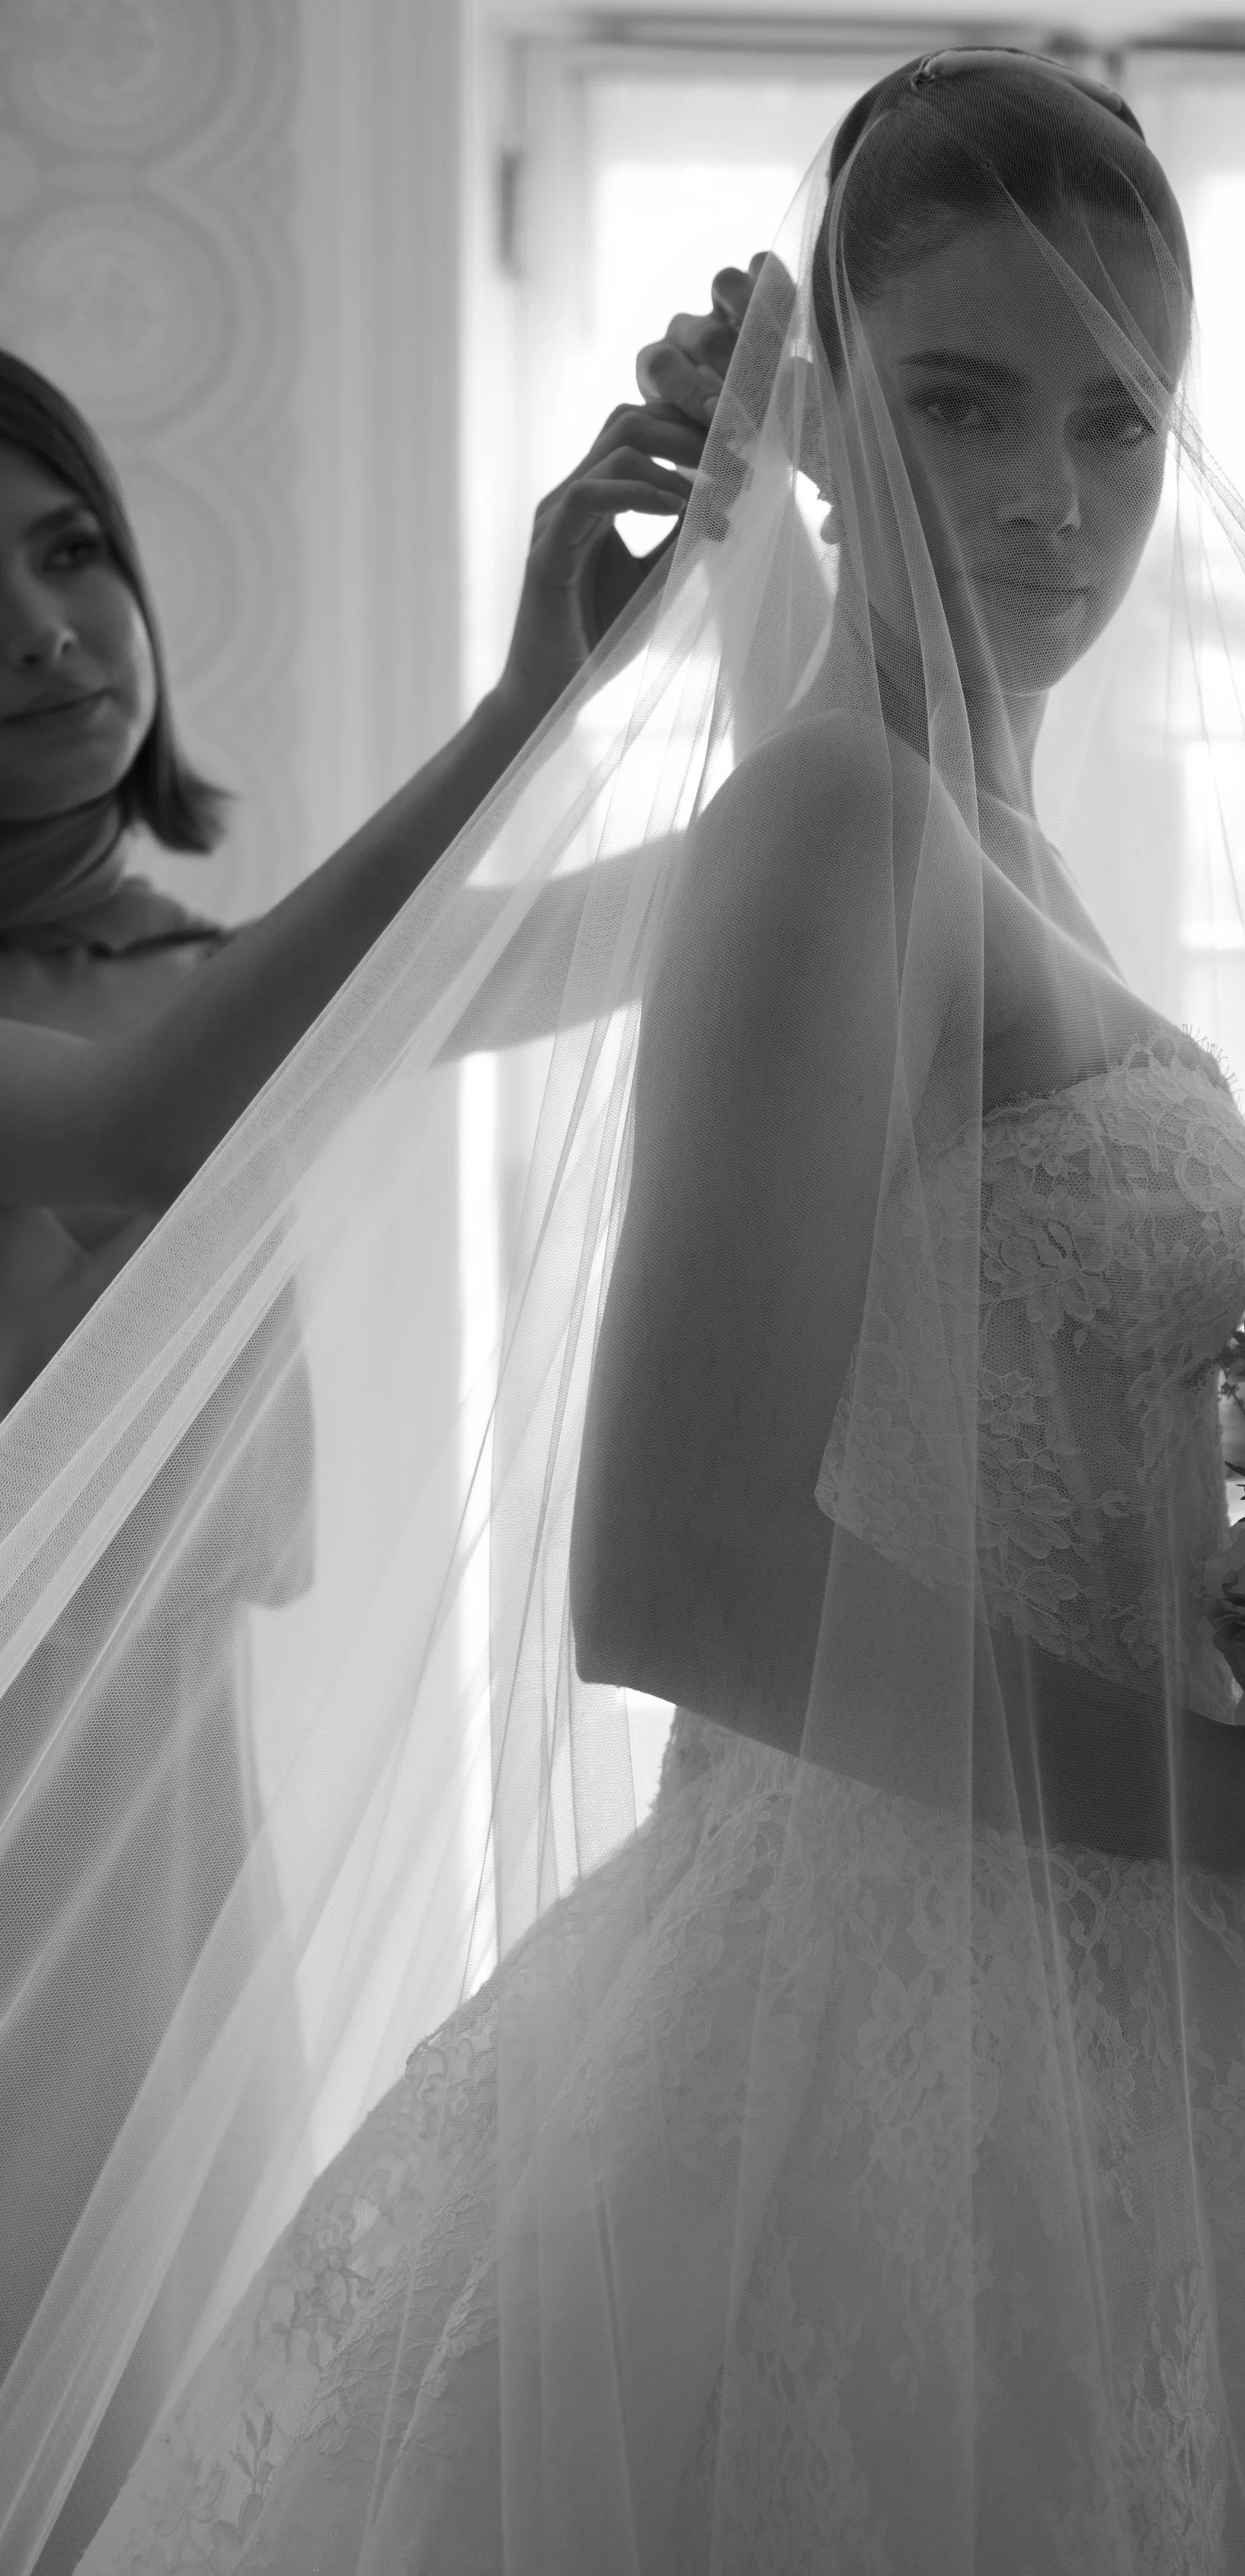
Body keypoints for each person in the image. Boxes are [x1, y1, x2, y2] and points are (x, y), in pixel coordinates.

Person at [5, 50, 1245, 2574]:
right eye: (962, 402)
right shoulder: (831, 819)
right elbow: (673, 1575)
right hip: (882, 2017)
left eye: (1115, 421)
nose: (1045, 498)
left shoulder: (983, 833)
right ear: (822, 422)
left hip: (1113, 1976)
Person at [0, 363, 699, 2572]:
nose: (44, 631)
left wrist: (826, 575)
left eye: (68, 548)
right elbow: (144, 1131)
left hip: (169, 1831)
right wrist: (521, 713)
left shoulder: (240, 987)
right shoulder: (206, 1040)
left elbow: (669, 912)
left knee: (147, 2451)